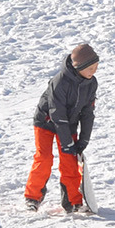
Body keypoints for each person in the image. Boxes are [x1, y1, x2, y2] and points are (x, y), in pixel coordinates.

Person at [26, 43, 100, 211]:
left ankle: (73, 200)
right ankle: (32, 197)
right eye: (90, 68)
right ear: (78, 67)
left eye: (96, 67)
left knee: (70, 160)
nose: (94, 71)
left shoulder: (91, 83)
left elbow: (88, 113)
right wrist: (67, 142)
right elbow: (57, 114)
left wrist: (84, 139)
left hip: (69, 123)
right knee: (44, 158)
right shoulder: (60, 82)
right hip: (46, 121)